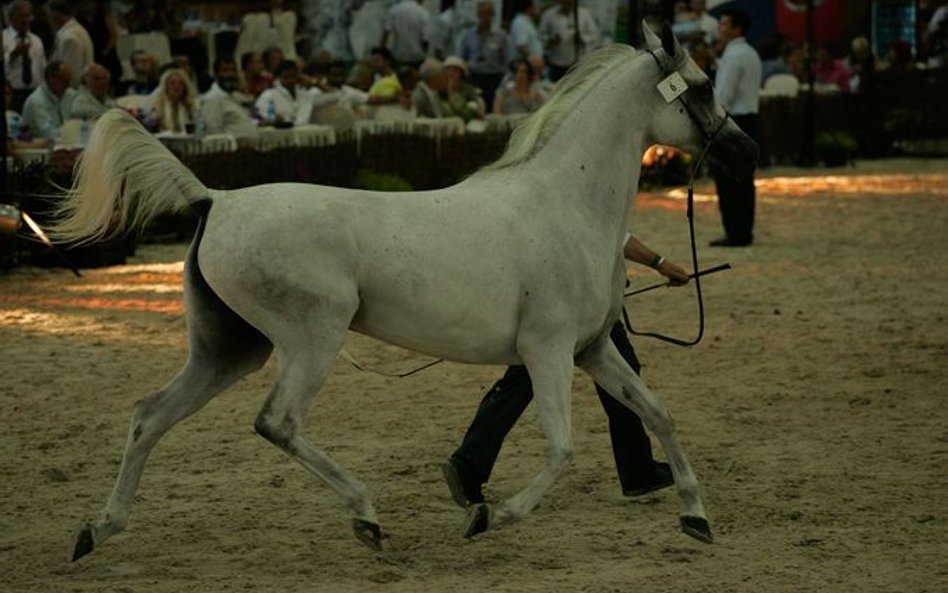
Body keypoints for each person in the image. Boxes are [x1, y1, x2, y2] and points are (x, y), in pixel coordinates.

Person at [443, 235, 691, 506]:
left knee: (535, 379)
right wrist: (659, 262)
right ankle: (468, 463)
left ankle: (638, 470)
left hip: (575, 293)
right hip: (574, 299)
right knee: (526, 379)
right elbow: (615, 235)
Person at [710, 9, 760, 248]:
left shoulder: (733, 55)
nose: (720, 28)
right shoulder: (750, 53)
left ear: (736, 29)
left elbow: (723, 97)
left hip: (733, 121)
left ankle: (734, 232)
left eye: (724, 24)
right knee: (745, 180)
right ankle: (745, 231)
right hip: (750, 118)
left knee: (728, 180)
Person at [459, 1, 507, 113]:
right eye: (483, 14)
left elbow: (505, 60)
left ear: (493, 16)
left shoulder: (500, 36)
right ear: (478, 15)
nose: (486, 17)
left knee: (491, 108)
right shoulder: (469, 35)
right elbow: (462, 57)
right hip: (474, 77)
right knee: (475, 107)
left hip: (493, 78)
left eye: (489, 14)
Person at [200, 55, 259, 142]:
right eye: (225, 70)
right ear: (216, 74)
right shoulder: (213, 98)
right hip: (231, 152)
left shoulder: (234, 96)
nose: (230, 74)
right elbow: (213, 133)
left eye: (233, 70)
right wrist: (236, 144)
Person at [538, 0, 599, 82]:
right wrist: (551, 41)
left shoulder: (584, 14)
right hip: (556, 66)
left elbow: (594, 35)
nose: (567, 2)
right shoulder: (549, 15)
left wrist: (581, 38)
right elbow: (540, 37)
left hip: (578, 65)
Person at [4, 0, 46, 112]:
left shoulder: (36, 40)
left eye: (28, 16)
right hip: (12, 95)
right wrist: (14, 54)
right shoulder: (3, 39)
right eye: (21, 16)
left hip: (35, 94)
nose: (26, 20)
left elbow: (42, 68)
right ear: (11, 18)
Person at [21, 60, 75, 141]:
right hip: (41, 149)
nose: (68, 86)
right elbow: (48, 133)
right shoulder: (36, 101)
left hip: (65, 144)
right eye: (66, 82)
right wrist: (73, 135)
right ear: (52, 79)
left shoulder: (68, 94)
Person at [76, 0, 122, 89]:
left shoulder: (103, 15)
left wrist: (105, 51)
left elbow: (114, 35)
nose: (86, 6)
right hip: (91, 53)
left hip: (107, 54)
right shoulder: (79, 19)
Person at [49, 0, 94, 88]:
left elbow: (70, 74)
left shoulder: (69, 38)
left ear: (56, 16)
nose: (49, 21)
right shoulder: (78, 30)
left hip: (72, 95)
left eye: (49, 17)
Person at [254, 59, 311, 125]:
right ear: (279, 77)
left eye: (293, 76)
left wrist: (313, 82)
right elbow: (255, 118)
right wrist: (272, 120)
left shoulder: (305, 95)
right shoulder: (269, 94)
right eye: (285, 77)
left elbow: (325, 95)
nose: (290, 80)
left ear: (298, 75)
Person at [380, 0, 430, 69]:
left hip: (398, 57)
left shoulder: (394, 10)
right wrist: (424, 55)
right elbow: (425, 40)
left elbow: (385, 34)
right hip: (416, 60)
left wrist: (382, 54)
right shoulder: (423, 13)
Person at [147, 67, 198, 133]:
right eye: (172, 83)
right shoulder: (158, 103)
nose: (177, 86)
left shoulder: (190, 104)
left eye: (181, 83)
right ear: (166, 86)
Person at [441, 55, 484, 122]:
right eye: (448, 69)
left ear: (461, 73)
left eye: (455, 70)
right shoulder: (440, 87)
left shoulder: (468, 88)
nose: (451, 73)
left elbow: (477, 102)